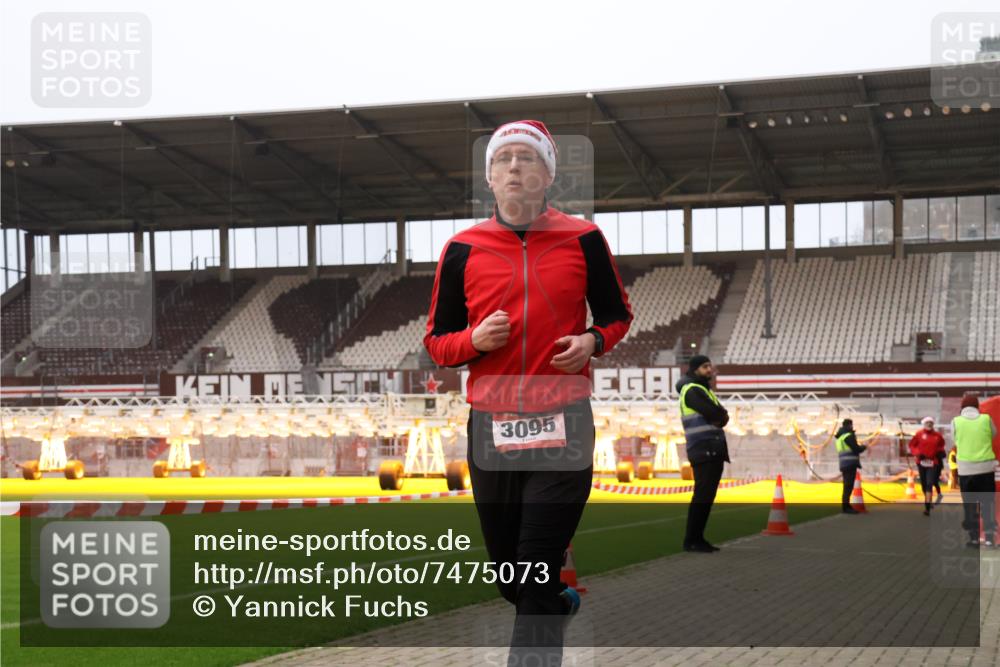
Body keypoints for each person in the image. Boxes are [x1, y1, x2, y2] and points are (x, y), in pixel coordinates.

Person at [424, 120, 633, 663]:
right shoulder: (461, 249)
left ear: (547, 175)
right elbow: (437, 343)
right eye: (503, 159)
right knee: (512, 579)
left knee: (536, 560)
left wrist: (591, 341)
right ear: (490, 178)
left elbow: (616, 315)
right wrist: (473, 339)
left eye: (527, 158)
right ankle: (555, 603)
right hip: (491, 427)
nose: (515, 166)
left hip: (563, 420)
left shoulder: (583, 240)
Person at [676, 354, 730, 552]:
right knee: (703, 496)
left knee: (705, 496)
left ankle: (696, 538)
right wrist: (721, 416)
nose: (709, 370)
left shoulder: (702, 390)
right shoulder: (693, 390)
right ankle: (692, 540)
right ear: (695, 369)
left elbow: (721, 415)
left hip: (710, 448)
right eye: (705, 366)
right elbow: (718, 414)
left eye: (710, 366)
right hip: (704, 448)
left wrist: (721, 416)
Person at [952, 394, 998, 548]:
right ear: (977, 406)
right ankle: (990, 538)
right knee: (988, 505)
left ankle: (974, 538)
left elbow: (954, 440)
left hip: (965, 470)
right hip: (985, 469)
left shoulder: (956, 422)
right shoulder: (986, 419)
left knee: (970, 505)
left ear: (962, 407)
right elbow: (994, 434)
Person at [908, 416, 947, 515]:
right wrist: (917, 453)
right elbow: (912, 445)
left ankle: (927, 507)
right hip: (921, 462)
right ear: (924, 424)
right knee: (924, 484)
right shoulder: (919, 434)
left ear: (933, 424)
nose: (929, 424)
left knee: (930, 483)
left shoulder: (938, 435)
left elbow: (941, 445)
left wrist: (941, 452)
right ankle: (928, 500)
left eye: (931, 423)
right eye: (927, 423)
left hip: (933, 462)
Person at [835, 418, 867, 514]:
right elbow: (856, 449)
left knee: (846, 486)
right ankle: (846, 507)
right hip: (850, 463)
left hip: (844, 464)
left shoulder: (840, 437)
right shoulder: (848, 436)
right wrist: (863, 447)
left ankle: (846, 506)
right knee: (848, 486)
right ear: (849, 425)